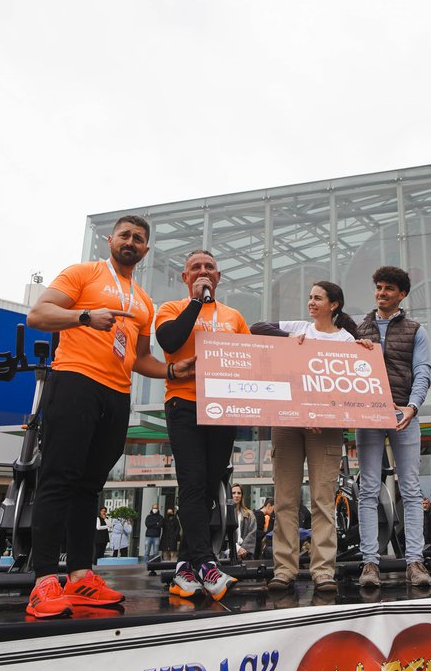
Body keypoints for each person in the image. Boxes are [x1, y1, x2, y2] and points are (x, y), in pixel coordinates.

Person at [24, 215, 191, 619]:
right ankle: (44, 580)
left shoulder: (145, 301)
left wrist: (171, 371)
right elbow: (38, 315)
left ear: (146, 250)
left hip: (117, 395)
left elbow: (140, 358)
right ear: (110, 240)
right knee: (58, 478)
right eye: (125, 235)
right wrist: (84, 316)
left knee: (89, 486)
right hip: (75, 381)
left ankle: (81, 575)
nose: (131, 242)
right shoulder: (84, 274)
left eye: (139, 238)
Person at [254, 281, 373, 593]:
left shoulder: (347, 340)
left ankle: (323, 571)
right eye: (309, 297)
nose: (310, 302)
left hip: (326, 428)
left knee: (322, 501)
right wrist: (289, 337)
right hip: (287, 422)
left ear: (334, 305)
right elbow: (256, 328)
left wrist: (325, 414)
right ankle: (284, 569)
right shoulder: (297, 327)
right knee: (285, 500)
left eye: (317, 298)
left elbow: (346, 388)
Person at [155, 249, 250, 601]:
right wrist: (196, 302)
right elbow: (170, 341)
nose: (203, 271)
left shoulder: (234, 316)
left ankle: (184, 566)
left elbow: (249, 360)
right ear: (186, 277)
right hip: (184, 403)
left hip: (223, 408)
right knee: (192, 483)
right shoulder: (171, 309)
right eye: (195, 267)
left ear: (219, 276)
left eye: (209, 267)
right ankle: (207, 564)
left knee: (209, 487)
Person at [352, 266, 431, 589]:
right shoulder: (360, 329)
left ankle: (415, 560)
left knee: (411, 489)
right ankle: (369, 562)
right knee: (368, 490)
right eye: (379, 287)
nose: (382, 293)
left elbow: (423, 371)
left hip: (403, 416)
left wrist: (412, 408)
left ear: (402, 294)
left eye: (388, 289)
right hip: (367, 416)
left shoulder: (416, 330)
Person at [232, 485, 257, 560]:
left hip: (245, 553)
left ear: (242, 496)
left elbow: (252, 533)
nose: (236, 495)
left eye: (239, 493)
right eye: (233, 493)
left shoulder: (249, 514)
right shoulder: (224, 514)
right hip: (229, 551)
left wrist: (243, 549)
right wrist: (237, 548)